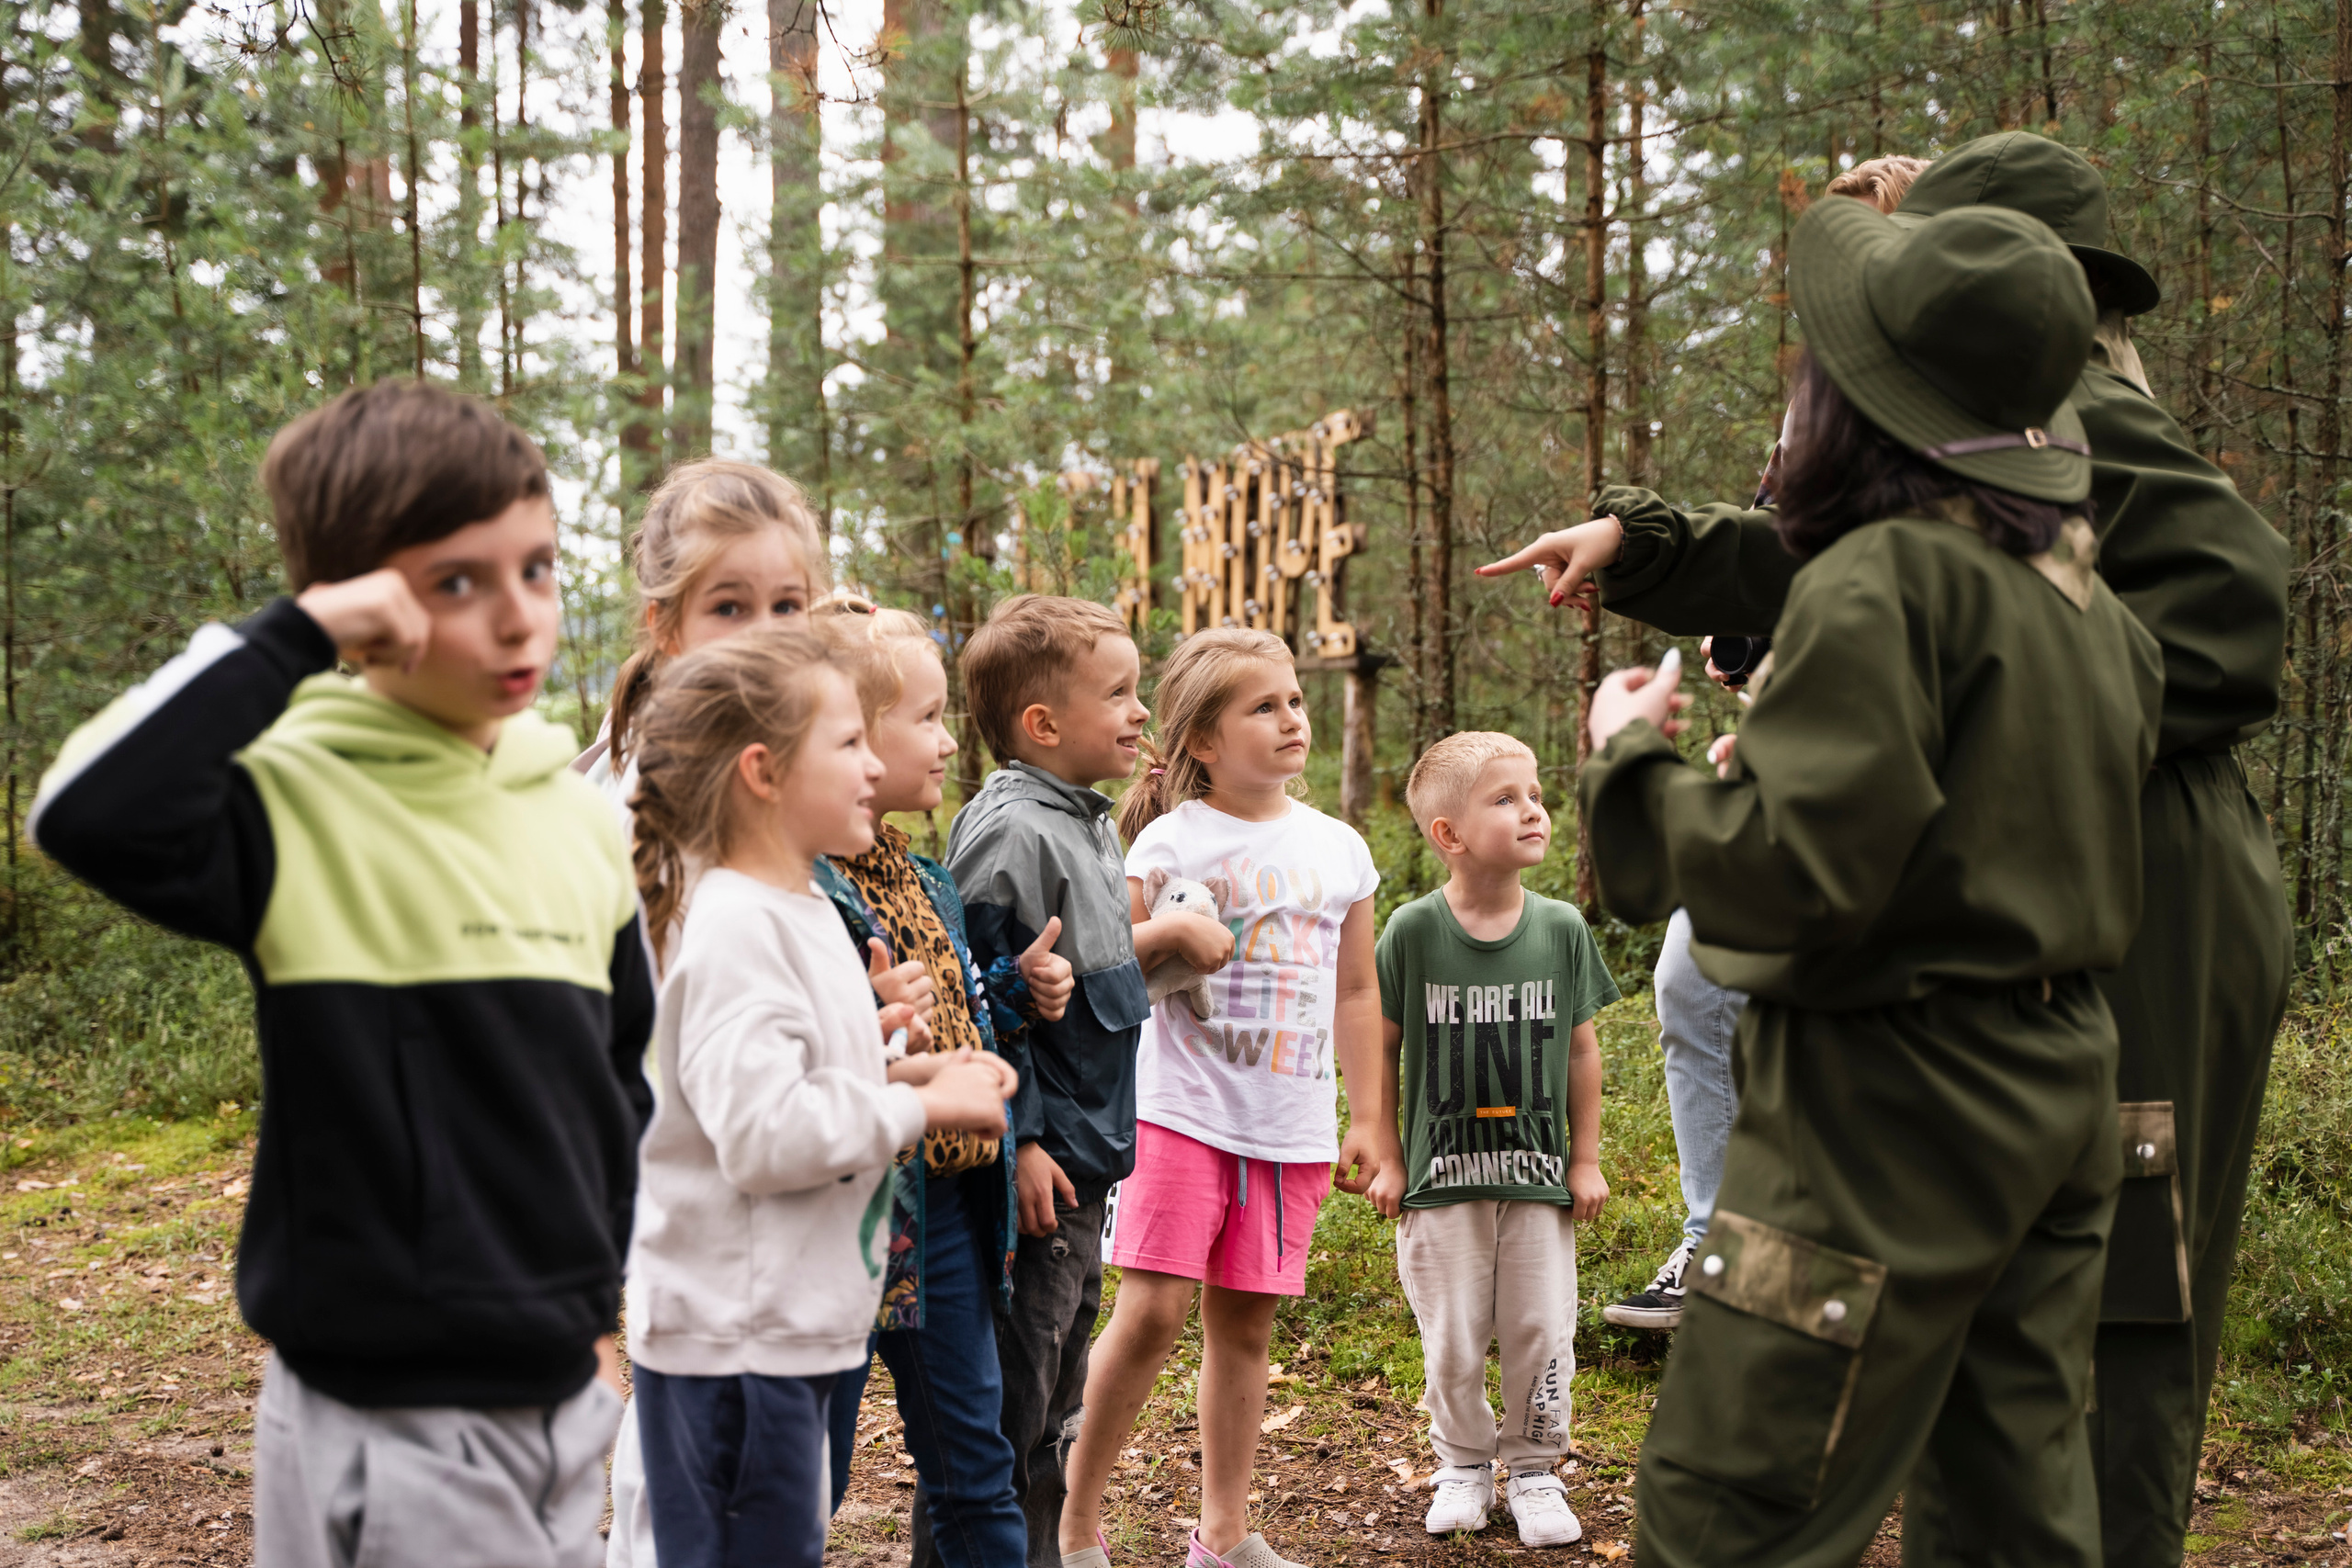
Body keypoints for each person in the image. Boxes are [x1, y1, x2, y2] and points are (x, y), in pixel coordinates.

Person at [1487, 132, 2293, 1568]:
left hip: (1996, 1010)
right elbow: (1918, 577)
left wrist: (1640, 771)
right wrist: (1662, 550)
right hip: (2050, 1013)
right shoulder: (2018, 530)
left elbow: (1788, 849)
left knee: (1774, 1482)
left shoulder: (2066, 440)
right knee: (2018, 1439)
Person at [1576, 199, 2165, 1566]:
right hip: (2061, 1095)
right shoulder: (2089, 610)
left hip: (1885, 1108)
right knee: (2015, 1509)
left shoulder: (1885, 580)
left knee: (1734, 1508)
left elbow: (1788, 874)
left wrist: (1629, 770)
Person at [28, 380, 655, 1568]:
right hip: (391, 1405)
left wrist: (600, 1306)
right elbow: (85, 812)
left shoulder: (575, 821)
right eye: (457, 582)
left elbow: (623, 1081)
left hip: (567, 1387)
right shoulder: (293, 800)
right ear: (357, 609)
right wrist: (294, 635)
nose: (521, 618)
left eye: (538, 568)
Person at [1551, 152, 1928, 1335]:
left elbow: (1885, 585)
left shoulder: (1955, 398)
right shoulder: (1820, 398)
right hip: (1796, 743)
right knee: (1695, 980)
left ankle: (1862, 1288)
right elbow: (1785, 555)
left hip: (1903, 776)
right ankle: (1727, 1255)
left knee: (1861, 1020)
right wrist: (1751, 653)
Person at [578, 459, 945, 1568]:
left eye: (787, 606)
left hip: (768, 1262)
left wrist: (853, 1019)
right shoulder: (633, 802)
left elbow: (739, 1004)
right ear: (665, 625)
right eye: (729, 607)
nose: (762, 632)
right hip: (674, 1237)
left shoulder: (778, 781)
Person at [622, 626, 1017, 1568]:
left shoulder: (795, 906)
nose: (869, 766)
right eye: (846, 744)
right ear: (763, 772)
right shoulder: (731, 926)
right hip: (735, 1348)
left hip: (786, 1333)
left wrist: (905, 1073)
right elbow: (761, 1139)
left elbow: (793, 1087)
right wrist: (913, 1112)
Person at [1050, 628, 1381, 1568]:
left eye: (1295, 702)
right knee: (1152, 1312)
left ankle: (1224, 1535)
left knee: (1245, 1323)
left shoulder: (1340, 848)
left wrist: (1366, 1118)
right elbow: (1108, 946)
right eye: (1263, 706)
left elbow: (1357, 991)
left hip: (1289, 1125)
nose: (1290, 719)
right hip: (1177, 1108)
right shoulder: (1169, 837)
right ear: (1201, 739)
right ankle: (1073, 1521)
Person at [808, 604, 1074, 1568]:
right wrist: (864, 1016)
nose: (946, 738)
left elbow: (960, 1012)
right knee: (809, 1476)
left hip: (948, 1216)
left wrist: (1015, 989)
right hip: (840, 1217)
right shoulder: (795, 886)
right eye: (923, 717)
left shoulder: (924, 878)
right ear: (852, 736)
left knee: (975, 1466)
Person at [941, 594, 1157, 1568]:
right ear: (1043, 724)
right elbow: (983, 1009)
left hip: (1090, 1158)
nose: (1138, 711)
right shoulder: (1010, 834)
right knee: (1011, 1399)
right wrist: (1019, 1139)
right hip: (1045, 1166)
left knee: (1056, 1392)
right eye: (1118, 693)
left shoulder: (1087, 822)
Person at [1367, 731, 1619, 1547]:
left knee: (1542, 1328)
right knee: (1451, 1338)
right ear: (1449, 834)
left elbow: (1582, 1048)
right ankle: (1465, 1464)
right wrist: (1387, 1153)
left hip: (1541, 1179)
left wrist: (1586, 1157)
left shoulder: (1561, 927)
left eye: (1535, 793)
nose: (1533, 808)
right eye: (1505, 797)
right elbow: (1381, 1044)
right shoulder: (1410, 931)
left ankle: (1537, 1468)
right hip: (1441, 1184)